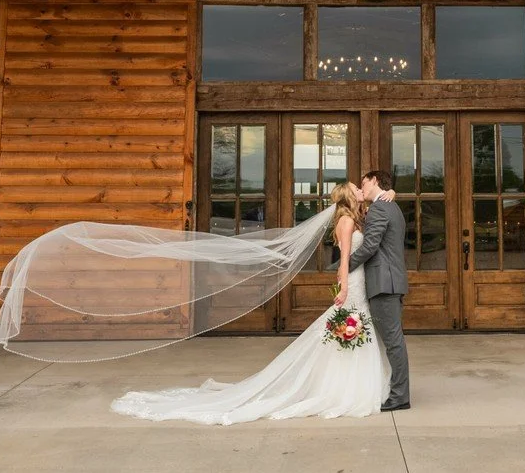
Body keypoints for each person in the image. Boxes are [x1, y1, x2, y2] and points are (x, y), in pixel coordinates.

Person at [109, 181, 396, 424]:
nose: (362, 190)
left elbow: (380, 208)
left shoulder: (359, 216)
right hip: (353, 282)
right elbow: (343, 258)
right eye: (357, 189)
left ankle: (347, 386)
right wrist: (343, 287)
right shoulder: (346, 221)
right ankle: (340, 389)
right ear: (349, 196)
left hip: (360, 281)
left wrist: (390, 194)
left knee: (353, 331)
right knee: (347, 330)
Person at [345, 169, 410, 412]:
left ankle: (400, 396)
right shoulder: (390, 205)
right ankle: (392, 389)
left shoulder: (381, 208)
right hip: (390, 280)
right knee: (392, 341)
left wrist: (345, 265)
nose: (362, 187)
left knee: (393, 342)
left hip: (385, 283)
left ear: (375, 181)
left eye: (364, 182)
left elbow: (371, 245)